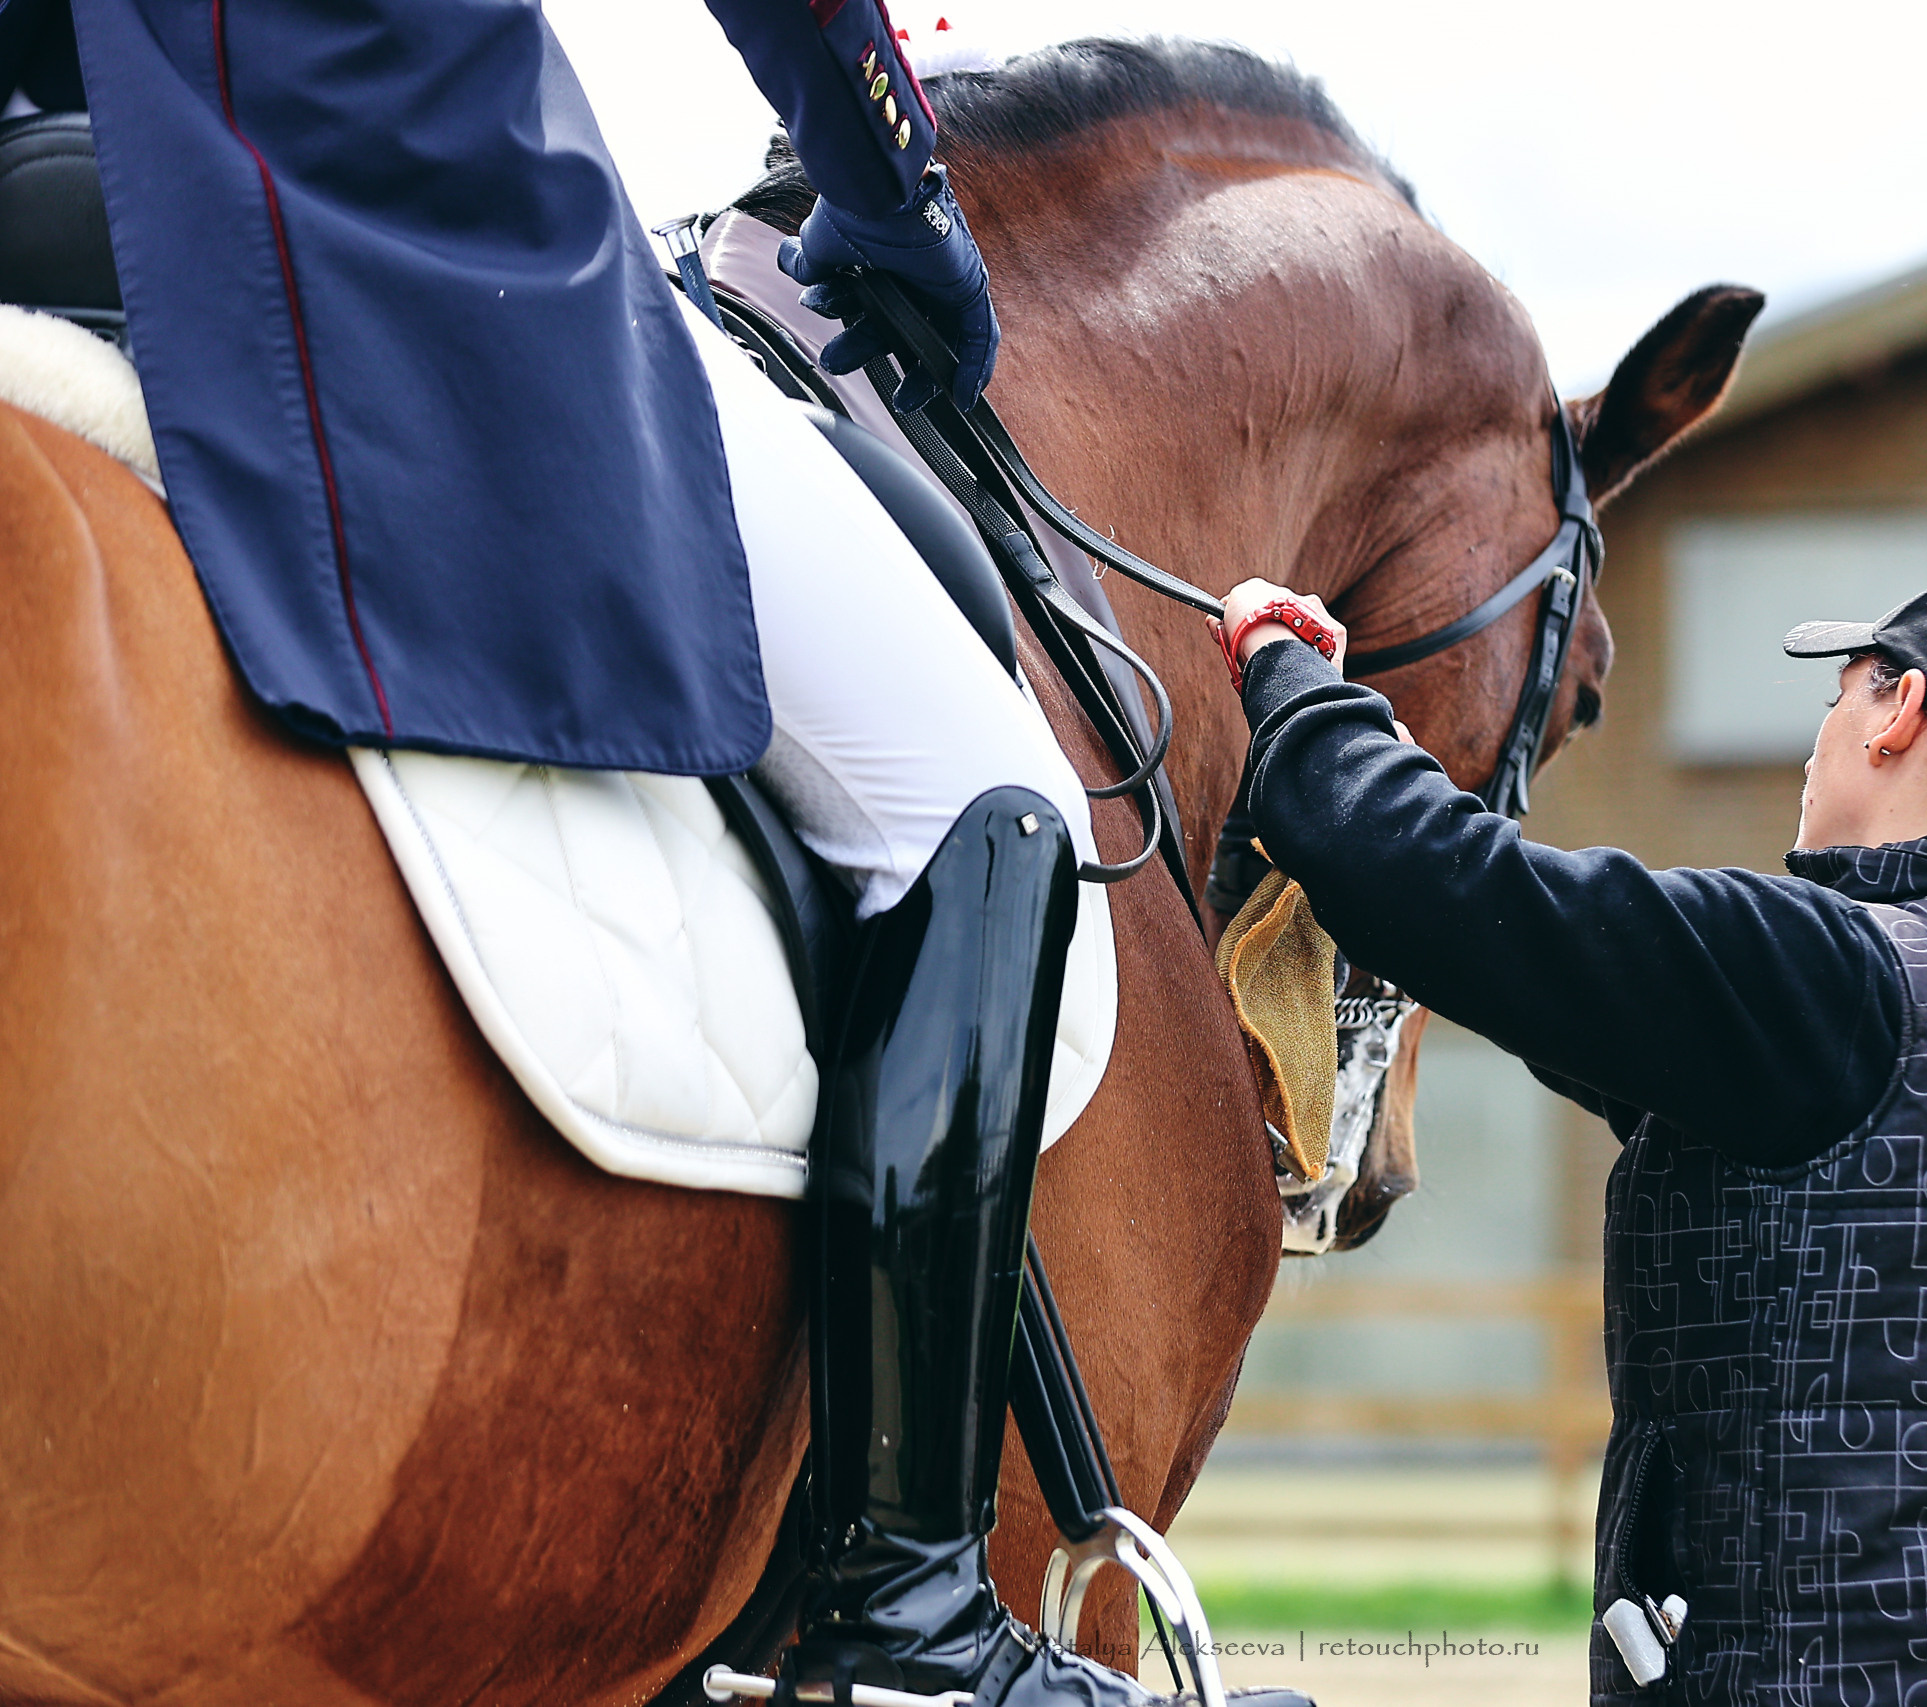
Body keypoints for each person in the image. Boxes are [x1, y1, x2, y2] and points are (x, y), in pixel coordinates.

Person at [0, 6, 1237, 1705]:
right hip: (388, 218)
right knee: (972, 794)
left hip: (38, 184)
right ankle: (912, 1616)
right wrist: (895, 195)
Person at [1212, 568, 1927, 1706]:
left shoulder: (1835, 971)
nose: (1815, 737)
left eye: (1838, 694)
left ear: (1899, 711)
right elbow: (1562, 989)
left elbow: (1451, 887)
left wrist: (1282, 666)